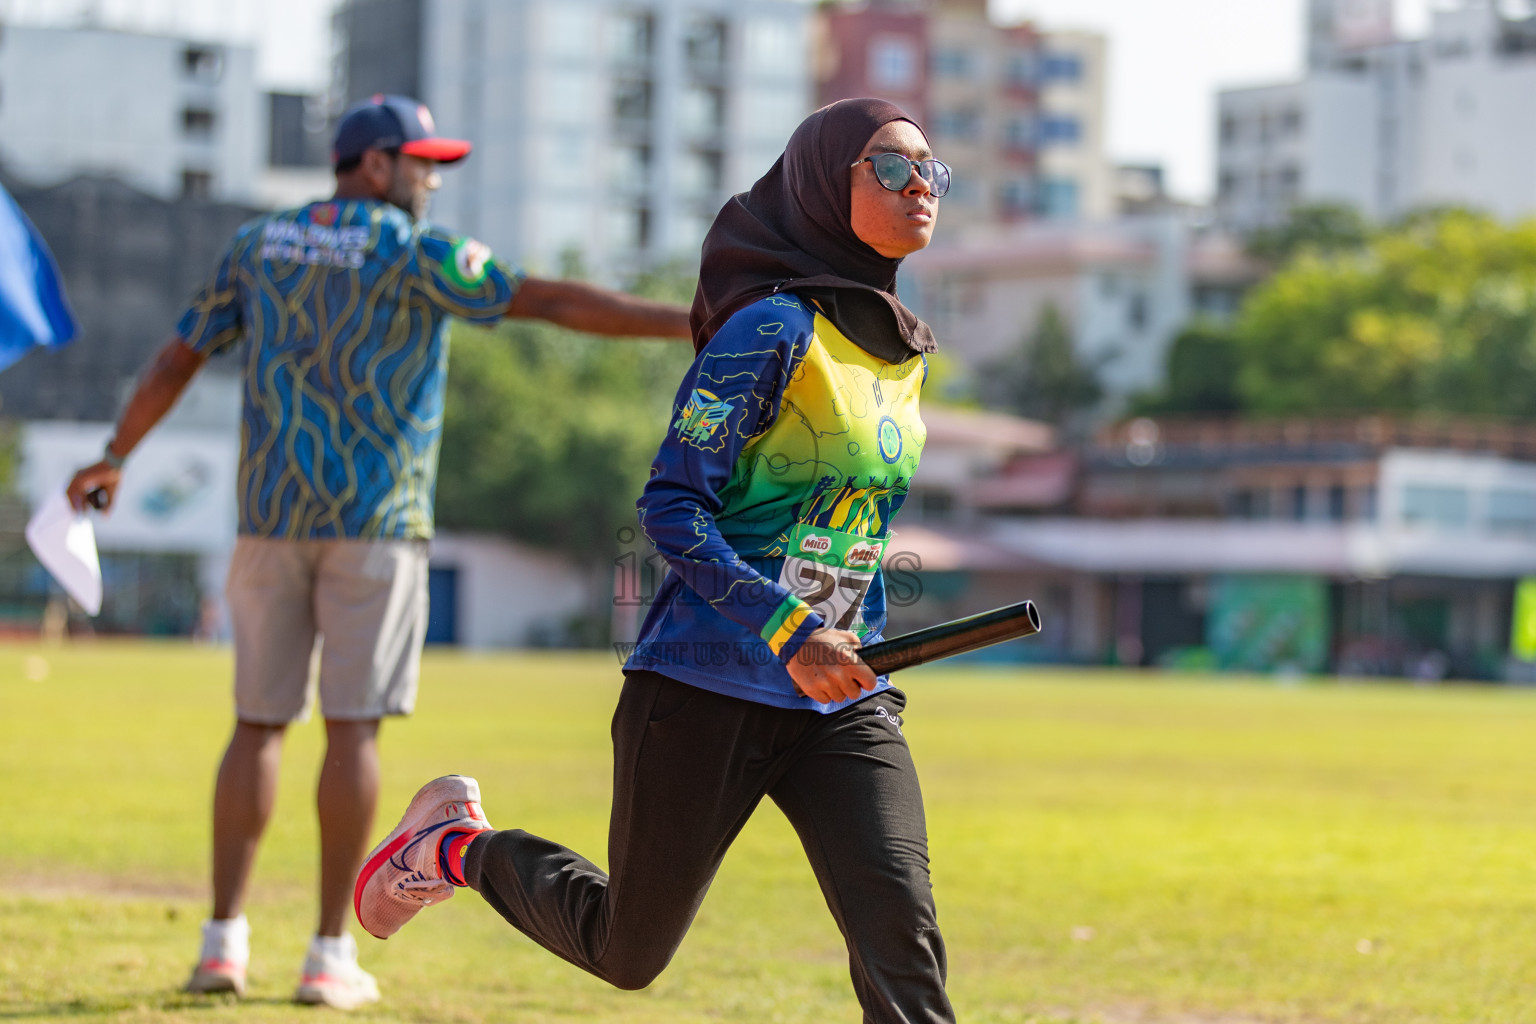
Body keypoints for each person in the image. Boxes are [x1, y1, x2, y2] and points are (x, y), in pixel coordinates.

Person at [65, 94, 691, 1010]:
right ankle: (326, 956)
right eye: (421, 161)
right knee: (352, 729)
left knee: (256, 726)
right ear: (372, 165)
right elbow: (549, 301)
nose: (431, 178)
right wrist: (692, 319)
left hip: (269, 519)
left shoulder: (259, 244)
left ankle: (221, 945)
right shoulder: (413, 251)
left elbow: (174, 360)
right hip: (378, 523)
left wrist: (115, 455)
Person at [354, 98, 956, 1023]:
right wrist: (791, 631)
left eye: (931, 171)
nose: (920, 184)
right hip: (706, 682)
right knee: (626, 952)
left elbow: (845, 530)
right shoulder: (769, 330)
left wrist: (844, 640)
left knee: (901, 939)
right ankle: (456, 848)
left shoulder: (905, 353)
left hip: (840, 696)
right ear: (822, 187)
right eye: (888, 166)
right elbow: (671, 508)